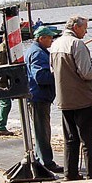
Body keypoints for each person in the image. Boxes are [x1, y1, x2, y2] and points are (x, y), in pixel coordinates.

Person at [49, 16, 92, 182]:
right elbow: (86, 73)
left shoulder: (55, 44)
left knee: (70, 138)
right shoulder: (77, 44)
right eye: (85, 27)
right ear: (76, 27)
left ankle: (71, 173)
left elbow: (53, 71)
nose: (86, 31)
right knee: (88, 139)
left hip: (64, 99)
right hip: (82, 99)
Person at [24, 26, 63, 173]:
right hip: (38, 97)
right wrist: (59, 72)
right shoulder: (37, 53)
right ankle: (46, 162)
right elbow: (40, 77)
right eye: (50, 38)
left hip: (38, 96)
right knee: (42, 131)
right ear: (42, 38)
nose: (52, 40)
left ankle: (43, 159)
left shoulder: (37, 51)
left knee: (42, 130)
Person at [0, 37, 14, 136]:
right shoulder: (3, 51)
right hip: (0, 83)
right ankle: (1, 127)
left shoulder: (1, 48)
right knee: (5, 103)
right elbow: (0, 68)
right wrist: (4, 83)